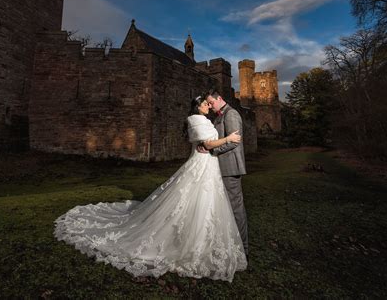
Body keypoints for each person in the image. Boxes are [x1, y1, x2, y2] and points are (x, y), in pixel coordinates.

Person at [54, 96, 247, 282]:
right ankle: (191, 244)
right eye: (205, 104)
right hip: (203, 165)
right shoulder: (195, 119)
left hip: (210, 166)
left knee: (206, 203)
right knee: (195, 200)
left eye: (209, 103)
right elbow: (207, 144)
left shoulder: (207, 118)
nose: (208, 106)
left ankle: (206, 242)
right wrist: (228, 138)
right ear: (197, 107)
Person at [202, 89, 249, 261]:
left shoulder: (232, 114)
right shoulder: (220, 116)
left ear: (219, 99)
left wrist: (212, 150)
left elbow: (234, 143)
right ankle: (230, 244)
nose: (211, 106)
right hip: (222, 167)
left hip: (231, 168)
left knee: (236, 209)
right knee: (227, 207)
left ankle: (243, 250)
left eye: (212, 103)